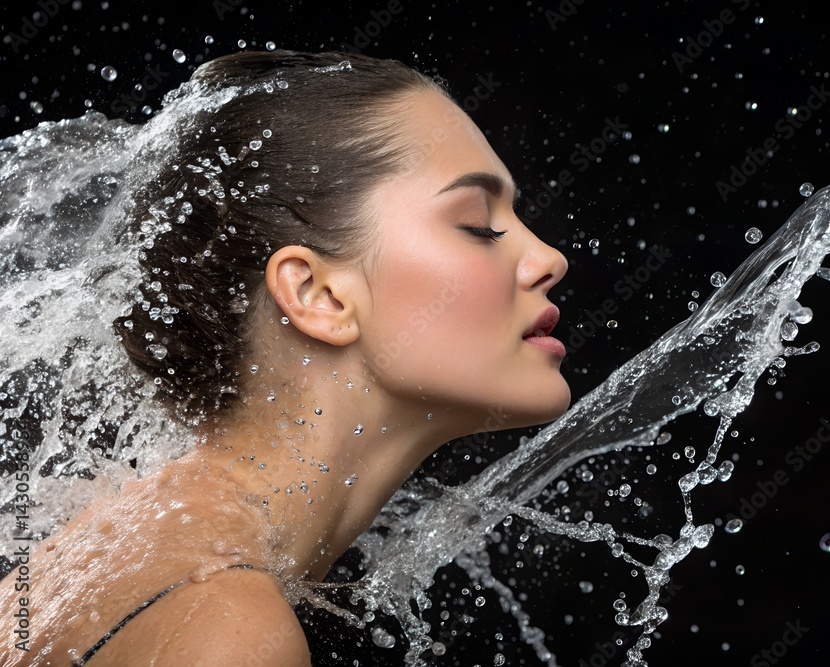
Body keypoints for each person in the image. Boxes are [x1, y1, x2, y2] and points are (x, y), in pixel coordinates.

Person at [0, 50, 570, 666]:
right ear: (315, 295)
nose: (549, 259)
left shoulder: (108, 542)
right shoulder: (228, 632)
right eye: (478, 225)